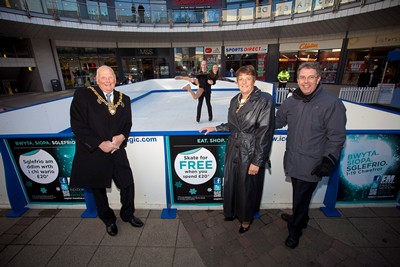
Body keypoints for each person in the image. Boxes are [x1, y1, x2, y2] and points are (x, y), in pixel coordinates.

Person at [275, 62, 346, 249]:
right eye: (302, 77)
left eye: (311, 77)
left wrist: (328, 159)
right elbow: (277, 121)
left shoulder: (332, 103)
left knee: (301, 196)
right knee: (300, 195)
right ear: (297, 79)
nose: (306, 82)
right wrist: (257, 116)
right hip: (293, 158)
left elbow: (336, 136)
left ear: (319, 79)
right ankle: (301, 217)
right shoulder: (291, 101)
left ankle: (295, 230)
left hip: (313, 162)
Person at [199, 65, 275, 234]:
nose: (244, 82)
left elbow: (265, 132)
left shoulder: (264, 100)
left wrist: (257, 160)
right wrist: (216, 128)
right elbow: (233, 125)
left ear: (254, 80)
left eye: (248, 78)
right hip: (233, 147)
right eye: (241, 79)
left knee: (247, 187)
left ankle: (246, 219)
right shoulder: (235, 99)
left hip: (250, 150)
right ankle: (233, 212)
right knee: (232, 183)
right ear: (237, 82)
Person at [70, 65, 144, 237]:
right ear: (97, 79)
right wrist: (98, 143)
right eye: (103, 77)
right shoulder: (83, 95)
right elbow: (77, 125)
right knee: (98, 189)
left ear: (115, 79)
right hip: (94, 152)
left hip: (116, 150)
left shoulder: (124, 98)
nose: (108, 80)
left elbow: (127, 124)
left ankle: (128, 214)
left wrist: (122, 137)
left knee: (127, 182)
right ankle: (108, 220)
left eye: (110, 77)